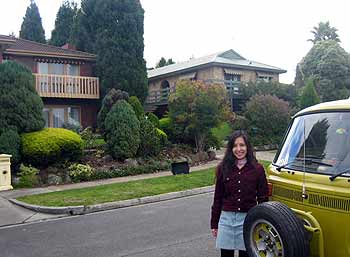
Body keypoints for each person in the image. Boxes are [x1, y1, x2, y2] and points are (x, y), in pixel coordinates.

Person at [210, 130, 269, 257]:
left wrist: (262, 223)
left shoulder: (257, 169)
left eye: (242, 145)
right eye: (235, 146)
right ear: (231, 148)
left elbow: (263, 199)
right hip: (226, 220)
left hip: (248, 219)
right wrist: (214, 223)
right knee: (226, 254)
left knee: (246, 254)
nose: (239, 149)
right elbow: (218, 198)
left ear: (247, 147)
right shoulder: (223, 168)